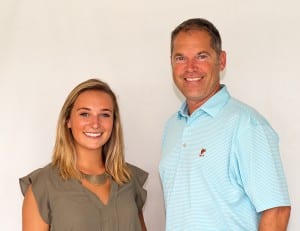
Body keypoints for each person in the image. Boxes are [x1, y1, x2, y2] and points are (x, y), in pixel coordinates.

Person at [159, 18, 291, 230]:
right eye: (180, 58)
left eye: (201, 56)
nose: (190, 68)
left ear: (221, 60)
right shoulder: (172, 127)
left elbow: (276, 211)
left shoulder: (247, 125)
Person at [20, 78, 148, 231]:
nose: (95, 123)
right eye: (85, 114)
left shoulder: (129, 179)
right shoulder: (43, 185)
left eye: (105, 115)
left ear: (114, 123)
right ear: (68, 120)